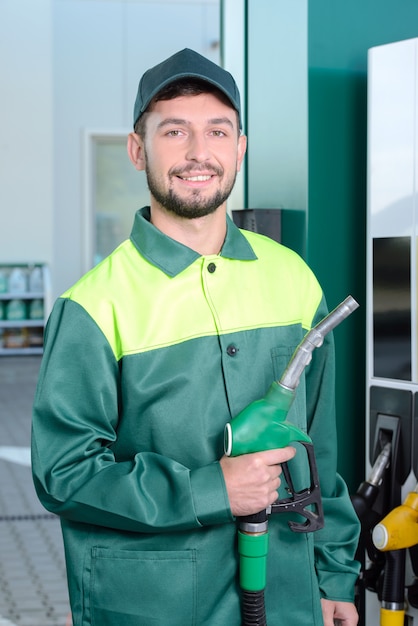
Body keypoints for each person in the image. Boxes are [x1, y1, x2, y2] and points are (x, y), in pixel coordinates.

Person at [31, 48, 360, 625]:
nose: (197, 153)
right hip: (154, 607)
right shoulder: (93, 305)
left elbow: (320, 449)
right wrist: (212, 491)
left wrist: (334, 575)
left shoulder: (294, 279)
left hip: (288, 602)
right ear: (138, 149)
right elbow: (64, 474)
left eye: (217, 130)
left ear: (240, 148)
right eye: (174, 131)